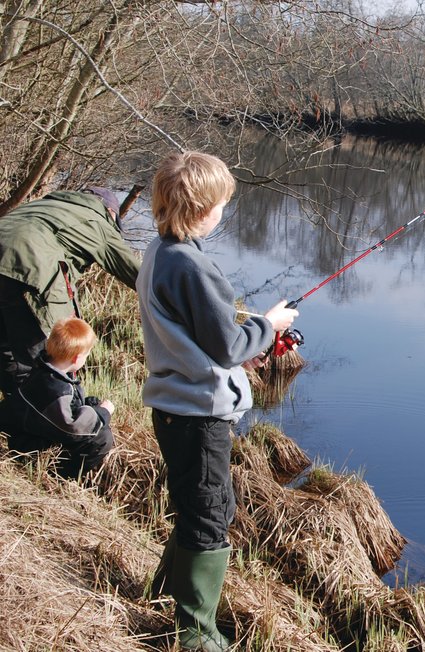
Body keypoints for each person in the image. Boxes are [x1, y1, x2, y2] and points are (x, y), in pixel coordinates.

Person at [137, 151, 297, 651]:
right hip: (197, 413)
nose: (225, 210)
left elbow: (204, 338)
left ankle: (167, 593)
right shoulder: (191, 265)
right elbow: (228, 344)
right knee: (209, 514)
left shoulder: (159, 251)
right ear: (203, 207)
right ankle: (194, 634)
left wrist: (238, 346)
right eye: (222, 202)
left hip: (175, 408)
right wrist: (267, 327)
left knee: (202, 505)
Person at [0, 187, 139, 397]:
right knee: (48, 360)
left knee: (5, 351)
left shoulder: (43, 205)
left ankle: (15, 416)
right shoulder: (99, 222)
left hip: (11, 262)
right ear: (110, 213)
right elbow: (141, 277)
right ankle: (57, 421)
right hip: (29, 269)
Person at [4, 317, 115, 478]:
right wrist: (103, 412)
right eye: (87, 353)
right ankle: (59, 476)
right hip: (28, 447)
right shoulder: (58, 390)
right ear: (76, 358)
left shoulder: (43, 369)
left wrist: (89, 404)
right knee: (102, 439)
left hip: (27, 433)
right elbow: (72, 428)